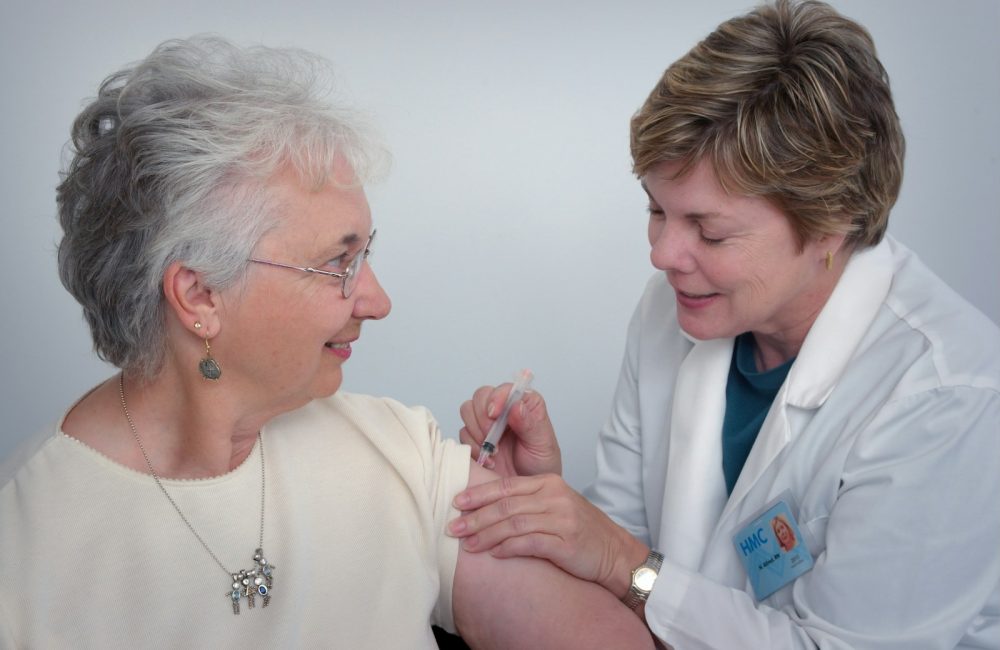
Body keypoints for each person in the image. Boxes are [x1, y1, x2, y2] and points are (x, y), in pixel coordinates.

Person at [0, 36, 655, 649]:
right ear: (199, 297)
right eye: (338, 263)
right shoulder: (22, 548)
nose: (376, 300)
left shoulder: (399, 459)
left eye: (364, 254)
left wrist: (544, 531)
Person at [448, 1, 1000, 648]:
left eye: (708, 230)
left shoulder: (948, 395)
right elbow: (618, 557)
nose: (661, 255)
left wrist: (619, 560)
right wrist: (548, 506)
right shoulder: (672, 311)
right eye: (657, 210)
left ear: (830, 222)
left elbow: (834, 642)